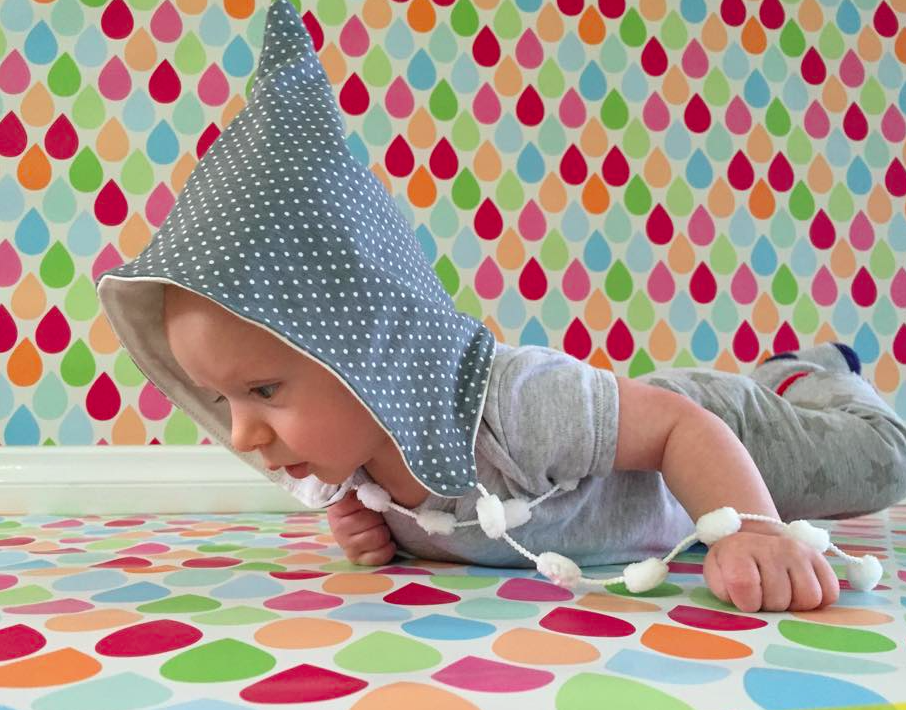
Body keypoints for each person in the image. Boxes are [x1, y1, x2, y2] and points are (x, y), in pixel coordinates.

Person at [96, 0, 906, 614]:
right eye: (225, 401)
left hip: (709, 432)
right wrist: (363, 528)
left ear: (369, 352)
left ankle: (807, 375)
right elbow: (424, 520)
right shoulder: (351, 461)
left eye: (264, 391)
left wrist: (752, 530)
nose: (244, 433)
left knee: (879, 463)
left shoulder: (513, 407)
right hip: (645, 448)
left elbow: (677, 429)